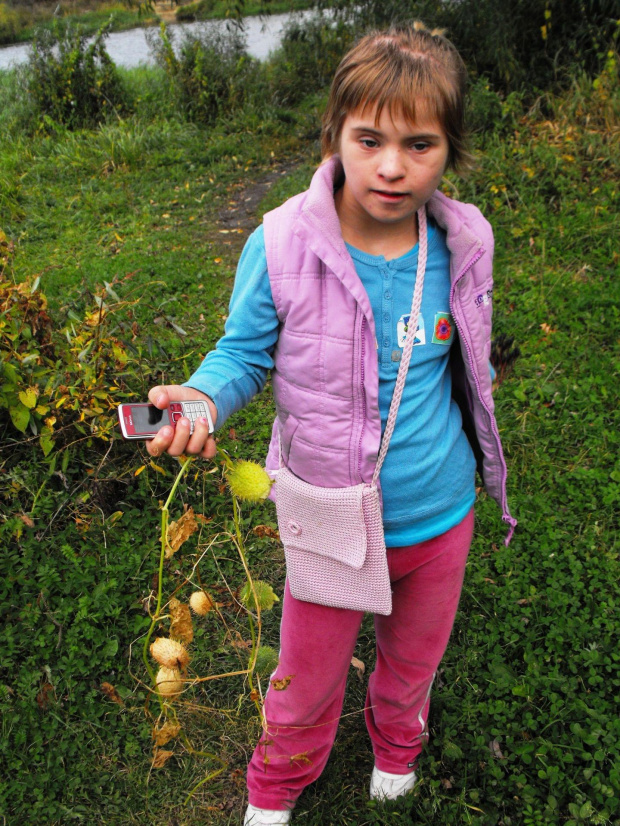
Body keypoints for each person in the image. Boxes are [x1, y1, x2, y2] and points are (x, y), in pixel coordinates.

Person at [144, 22, 516, 825]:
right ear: (335, 135)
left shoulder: (464, 241)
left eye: (419, 144)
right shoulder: (281, 244)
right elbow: (243, 355)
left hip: (439, 513)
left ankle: (397, 744)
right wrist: (203, 401)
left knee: (413, 660)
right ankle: (275, 785)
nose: (391, 166)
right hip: (329, 521)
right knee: (305, 675)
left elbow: (469, 357)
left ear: (451, 149)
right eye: (369, 138)